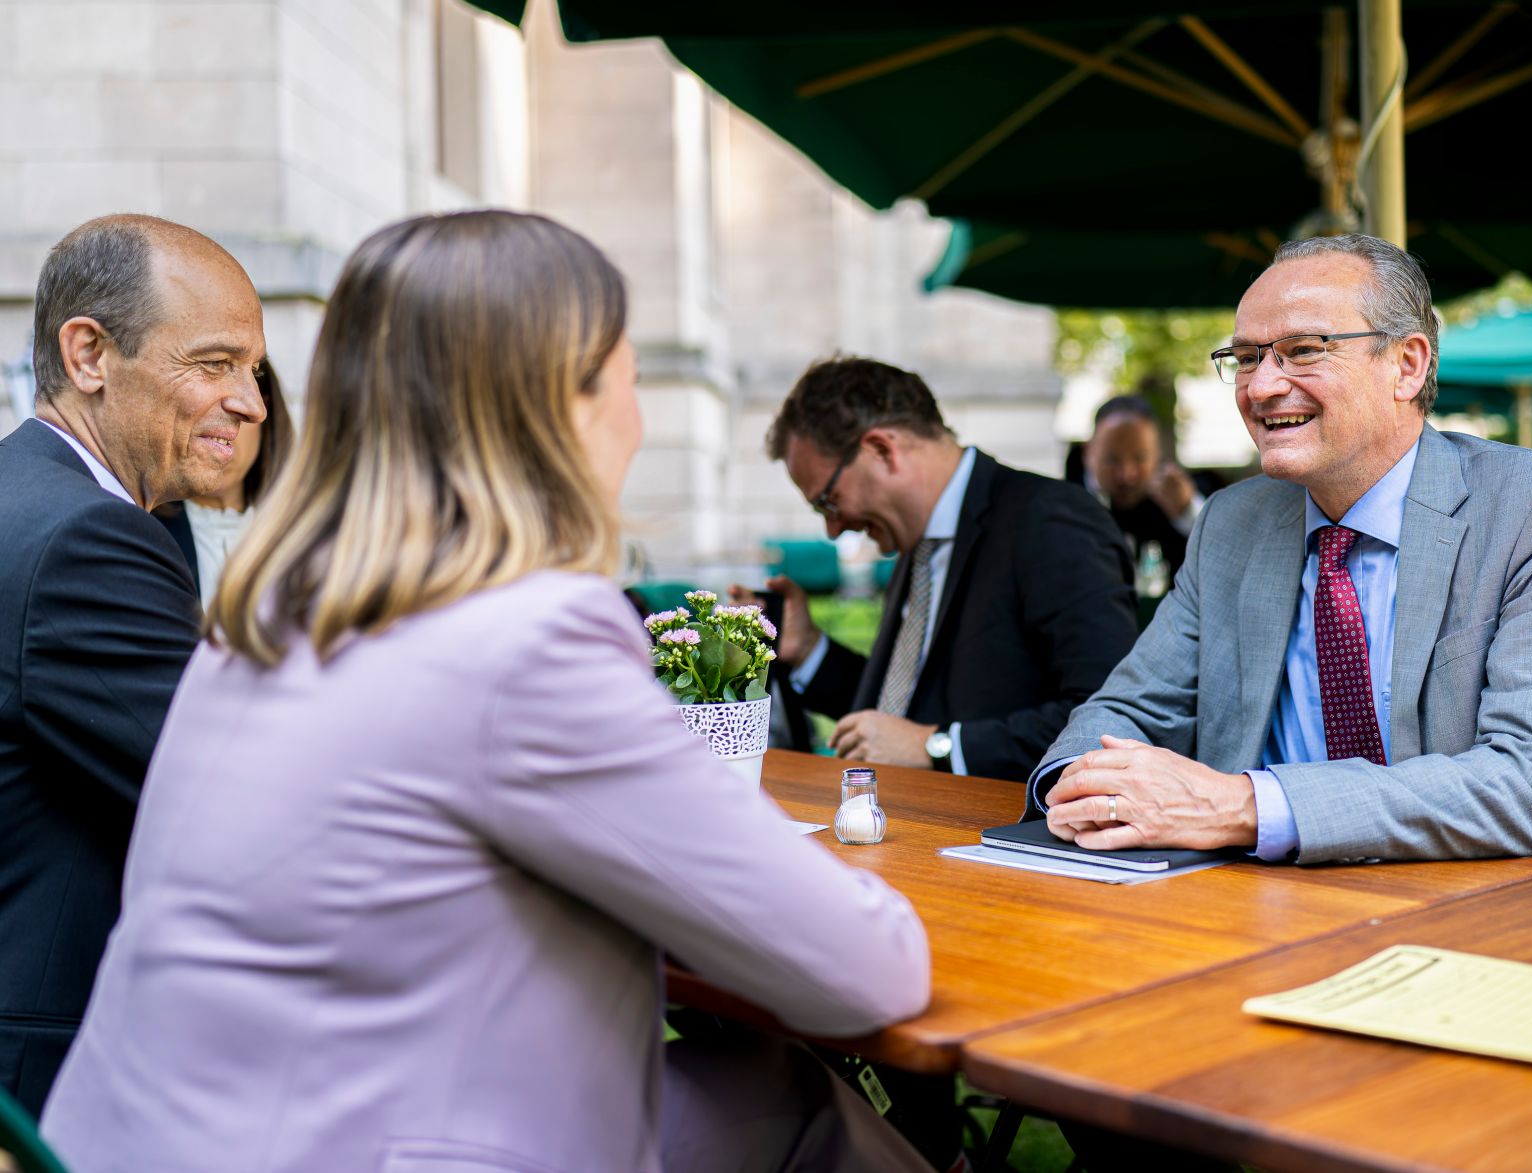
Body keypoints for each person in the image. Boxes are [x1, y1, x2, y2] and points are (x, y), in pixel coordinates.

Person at [41, 211, 933, 1173]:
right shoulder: (527, 639)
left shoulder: (274, 611)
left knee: (768, 1085)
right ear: (568, 403)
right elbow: (864, 969)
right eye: (629, 374)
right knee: (800, 1097)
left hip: (139, 1139)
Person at [1033, 233, 1532, 874]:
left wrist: (1244, 806)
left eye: (1304, 351)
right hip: (1280, 900)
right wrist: (1079, 789)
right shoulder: (1232, 521)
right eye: (1247, 358)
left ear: (1407, 366)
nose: (1262, 386)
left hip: (1526, 897)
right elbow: (1127, 710)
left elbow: (1530, 788)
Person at [0, 214, 267, 1115]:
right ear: (89, 355)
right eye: (215, 363)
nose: (254, 402)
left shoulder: (39, 498)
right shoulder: (86, 536)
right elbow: (239, 803)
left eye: (255, 372)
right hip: (52, 1081)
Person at [736, 357, 1138, 783]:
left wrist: (938, 745)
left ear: (882, 450)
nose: (834, 530)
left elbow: (1111, 718)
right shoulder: (917, 540)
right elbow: (903, 714)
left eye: (829, 502)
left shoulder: (1051, 522)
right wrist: (810, 648)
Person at [154, 358, 292, 605]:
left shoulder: (301, 528)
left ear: (264, 413)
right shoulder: (149, 531)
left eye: (237, 413)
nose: (220, 434)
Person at [1082, 394, 1198, 579]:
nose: (1127, 475)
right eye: (1112, 460)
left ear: (1157, 454)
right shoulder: (1067, 504)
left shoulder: (1177, 501)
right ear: (1088, 453)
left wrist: (1188, 512)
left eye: (1140, 458)